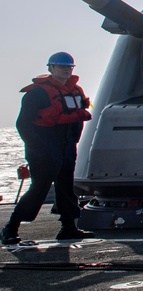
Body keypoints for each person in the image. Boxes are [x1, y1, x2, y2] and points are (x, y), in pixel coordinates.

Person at [1, 52, 94, 245]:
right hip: (44, 147)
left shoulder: (76, 91)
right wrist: (36, 147)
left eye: (69, 67)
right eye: (61, 66)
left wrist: (73, 142)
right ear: (50, 68)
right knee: (39, 188)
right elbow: (23, 124)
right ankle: (10, 228)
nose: (66, 69)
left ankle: (68, 228)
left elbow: (77, 117)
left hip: (67, 146)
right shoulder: (37, 93)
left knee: (66, 187)